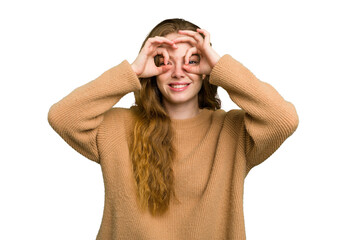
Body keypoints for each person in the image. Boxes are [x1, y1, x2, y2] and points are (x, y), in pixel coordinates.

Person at [48, 18, 299, 240]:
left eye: (192, 60)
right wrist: (132, 71)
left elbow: (284, 119)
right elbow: (62, 117)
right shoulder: (117, 127)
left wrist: (220, 66)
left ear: (205, 71)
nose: (179, 73)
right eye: (165, 62)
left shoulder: (232, 132)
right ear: (152, 69)